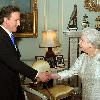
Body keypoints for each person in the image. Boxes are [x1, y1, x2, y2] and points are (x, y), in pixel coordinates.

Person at [0, 5, 49, 100]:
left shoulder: (8, 35)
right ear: (6, 20)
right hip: (4, 88)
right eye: (16, 20)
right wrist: (37, 74)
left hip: (13, 85)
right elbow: (14, 62)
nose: (19, 23)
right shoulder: (1, 37)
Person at [49, 27, 100, 100]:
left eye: (82, 40)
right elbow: (71, 72)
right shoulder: (82, 58)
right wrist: (51, 75)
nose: (79, 42)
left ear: (91, 44)